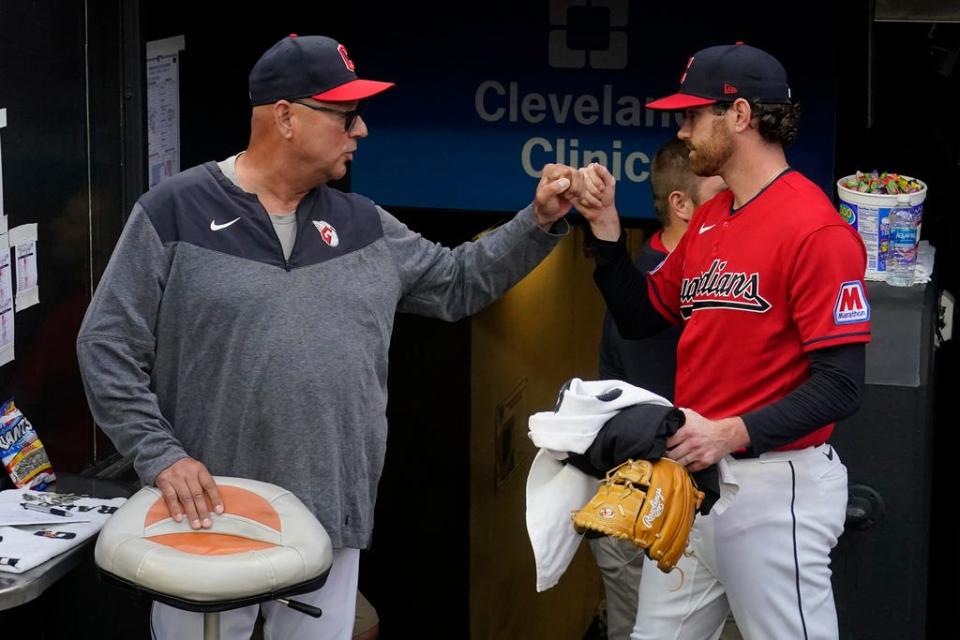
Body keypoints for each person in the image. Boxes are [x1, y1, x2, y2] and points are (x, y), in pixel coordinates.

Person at [76, 34, 594, 640]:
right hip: (206, 521)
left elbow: (458, 283)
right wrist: (160, 456)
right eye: (346, 115)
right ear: (286, 117)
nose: (362, 130)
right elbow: (105, 345)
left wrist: (538, 222)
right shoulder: (173, 211)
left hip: (329, 523)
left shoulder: (364, 223)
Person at [577, 43, 871, 640]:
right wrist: (606, 227)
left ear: (739, 115)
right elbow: (643, 315)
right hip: (698, 483)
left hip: (773, 486)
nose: (682, 131)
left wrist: (730, 430)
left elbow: (842, 386)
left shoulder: (816, 229)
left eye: (692, 115)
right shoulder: (712, 218)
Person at [589, 138, 725, 640]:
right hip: (650, 506)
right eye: (722, 191)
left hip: (702, 502)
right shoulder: (648, 281)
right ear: (680, 203)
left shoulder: (717, 271)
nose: (738, 200)